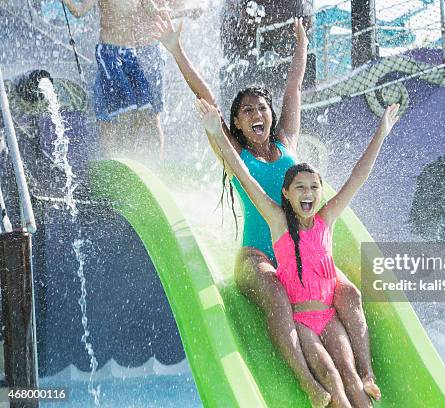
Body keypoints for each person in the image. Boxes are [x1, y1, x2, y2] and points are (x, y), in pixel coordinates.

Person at [153, 13, 380, 407]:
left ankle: (366, 373)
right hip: (257, 258)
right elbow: (206, 98)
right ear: (237, 125)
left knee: (349, 294)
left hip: (303, 262)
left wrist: (303, 46)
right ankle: (309, 382)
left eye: (262, 108)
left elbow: (293, 88)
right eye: (246, 112)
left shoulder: (288, 142)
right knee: (275, 290)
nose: (257, 115)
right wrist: (177, 51)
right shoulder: (237, 155)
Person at [198, 98, 400, 407]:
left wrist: (381, 134)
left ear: (321, 191)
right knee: (331, 377)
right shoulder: (278, 221)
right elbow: (244, 176)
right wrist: (216, 133)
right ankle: (310, 384)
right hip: (302, 322)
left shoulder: (326, 219)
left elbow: (358, 176)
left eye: (313, 188)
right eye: (300, 188)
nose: (307, 194)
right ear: (286, 194)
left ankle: (367, 375)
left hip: (329, 317)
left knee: (350, 373)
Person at [61, 0, 182, 159]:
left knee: (145, 105)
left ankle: (136, 157)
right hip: (109, 53)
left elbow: (156, 13)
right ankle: (121, 157)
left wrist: (183, 12)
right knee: (126, 107)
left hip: (130, 54)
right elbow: (79, 12)